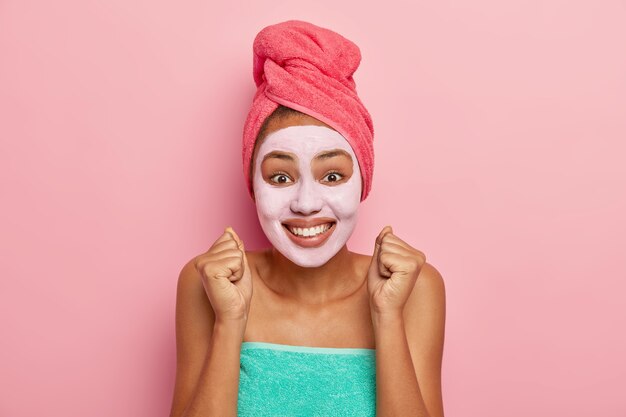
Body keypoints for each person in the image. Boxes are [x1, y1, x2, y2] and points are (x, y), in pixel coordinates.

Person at [169, 20, 446, 417]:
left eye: (332, 175)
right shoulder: (208, 284)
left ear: (363, 181)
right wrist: (230, 322)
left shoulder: (415, 288)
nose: (305, 203)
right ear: (252, 185)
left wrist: (387, 317)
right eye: (280, 177)